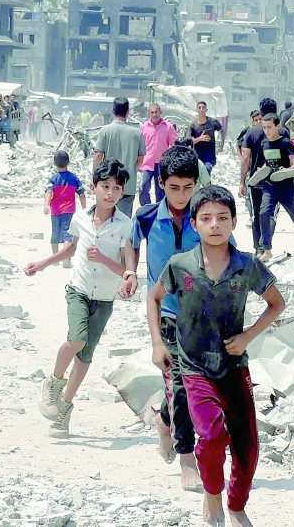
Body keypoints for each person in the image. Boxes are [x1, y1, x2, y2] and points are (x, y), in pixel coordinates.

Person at [147, 185, 286, 527]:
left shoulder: (246, 266)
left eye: (223, 218)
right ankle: (213, 496)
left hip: (233, 367)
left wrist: (248, 336)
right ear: (194, 224)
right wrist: (157, 344)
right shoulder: (181, 265)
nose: (215, 225)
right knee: (210, 436)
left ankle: (237, 506)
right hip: (194, 368)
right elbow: (153, 299)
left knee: (248, 445)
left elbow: (276, 303)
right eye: (206, 218)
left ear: (234, 222)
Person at [27, 160, 134, 437]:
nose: (110, 193)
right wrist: (43, 262)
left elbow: (126, 270)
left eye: (116, 188)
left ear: (122, 192)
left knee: (85, 359)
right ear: (93, 188)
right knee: (77, 339)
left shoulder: (125, 225)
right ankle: (53, 382)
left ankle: (63, 411)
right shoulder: (80, 218)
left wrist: (104, 259)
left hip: (105, 299)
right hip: (79, 290)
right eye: (105, 186)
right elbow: (71, 249)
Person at [120, 146, 203, 490]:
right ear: (160, 184)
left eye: (188, 187)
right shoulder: (146, 216)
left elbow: (228, 251)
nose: (181, 195)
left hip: (202, 314)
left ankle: (164, 420)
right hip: (165, 313)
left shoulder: (207, 214)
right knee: (180, 385)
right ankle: (188, 460)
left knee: (193, 386)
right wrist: (130, 271)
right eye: (174, 188)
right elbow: (130, 243)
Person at [250, 113, 294, 262]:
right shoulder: (264, 143)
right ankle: (267, 250)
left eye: (269, 127)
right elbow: (267, 163)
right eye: (264, 127)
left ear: (278, 126)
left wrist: (285, 171)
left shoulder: (285, 142)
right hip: (269, 185)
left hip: (286, 186)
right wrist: (261, 170)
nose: (266, 130)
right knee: (263, 213)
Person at [239, 98, 286, 254]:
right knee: (270, 215)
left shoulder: (251, 131)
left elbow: (245, 158)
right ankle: (266, 247)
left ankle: (259, 249)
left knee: (257, 215)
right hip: (276, 181)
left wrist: (242, 182)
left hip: (256, 180)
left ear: (261, 111)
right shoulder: (282, 131)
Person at [94, 97, 145, 217]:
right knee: (124, 222)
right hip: (128, 185)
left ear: (113, 111)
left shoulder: (105, 131)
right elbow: (140, 159)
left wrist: (96, 176)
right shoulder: (137, 133)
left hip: (107, 185)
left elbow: (98, 155)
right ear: (128, 112)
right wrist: (132, 171)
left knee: (105, 220)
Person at [45, 150, 87, 263]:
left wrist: (46, 205)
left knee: (55, 233)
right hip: (69, 210)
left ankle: (54, 258)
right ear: (68, 162)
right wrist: (84, 209)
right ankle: (66, 258)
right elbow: (82, 194)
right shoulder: (74, 178)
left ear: (54, 163)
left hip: (55, 210)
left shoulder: (53, 179)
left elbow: (48, 192)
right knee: (67, 234)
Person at [139, 103, 177, 206]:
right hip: (146, 163)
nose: (154, 114)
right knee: (143, 187)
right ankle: (146, 209)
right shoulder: (143, 127)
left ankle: (159, 211)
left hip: (161, 164)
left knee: (160, 190)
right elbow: (139, 145)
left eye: (156, 112)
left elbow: (174, 146)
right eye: (152, 112)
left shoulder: (168, 127)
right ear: (149, 114)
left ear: (160, 112)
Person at [236, 110, 261, 226]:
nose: (259, 122)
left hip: (260, 168)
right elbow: (238, 143)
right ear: (252, 120)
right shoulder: (247, 132)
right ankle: (251, 216)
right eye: (256, 120)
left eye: (260, 119)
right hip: (249, 167)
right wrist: (241, 157)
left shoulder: (265, 132)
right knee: (248, 193)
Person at [190, 101, 223, 176]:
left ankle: (207, 186)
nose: (201, 109)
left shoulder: (213, 122)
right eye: (199, 108)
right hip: (197, 157)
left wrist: (222, 144)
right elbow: (188, 142)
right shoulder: (193, 125)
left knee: (206, 172)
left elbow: (222, 130)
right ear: (197, 110)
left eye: (203, 107)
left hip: (209, 157)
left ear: (206, 110)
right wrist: (200, 139)